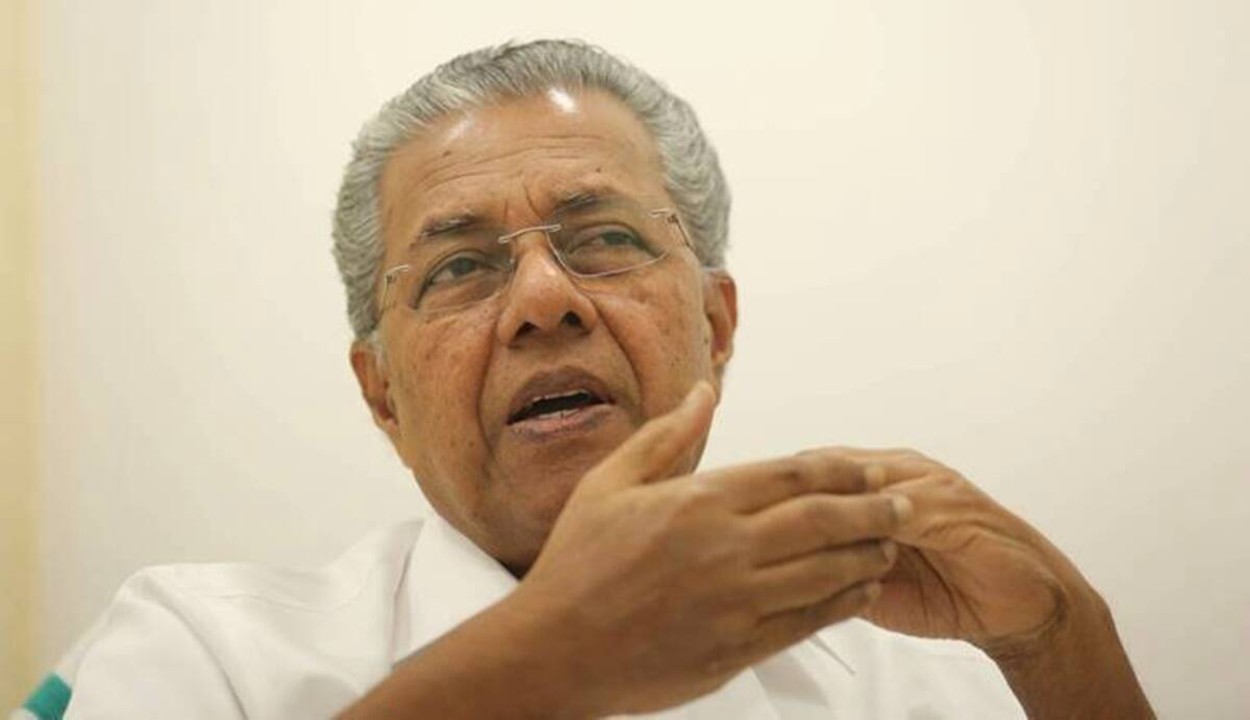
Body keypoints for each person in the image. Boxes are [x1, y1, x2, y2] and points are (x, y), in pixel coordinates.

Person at [20, 40, 1155, 720]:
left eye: (604, 238)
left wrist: (1064, 644)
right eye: (460, 267)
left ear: (714, 323)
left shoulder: (912, 684)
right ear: (382, 397)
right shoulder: (200, 655)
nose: (542, 300)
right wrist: (554, 653)